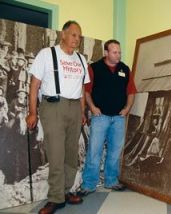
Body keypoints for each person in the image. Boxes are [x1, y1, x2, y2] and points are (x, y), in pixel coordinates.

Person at [26, 20, 89, 214]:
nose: (76, 39)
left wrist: (83, 112)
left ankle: (66, 191)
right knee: (55, 153)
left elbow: (82, 88)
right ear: (63, 34)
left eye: (79, 36)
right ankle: (55, 198)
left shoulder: (81, 59)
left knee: (71, 154)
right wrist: (32, 112)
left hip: (74, 108)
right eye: (73, 35)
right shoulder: (46, 54)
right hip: (53, 106)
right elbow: (34, 85)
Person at [78, 39, 137, 195]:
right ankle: (89, 184)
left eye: (120, 52)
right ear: (106, 52)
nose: (118, 55)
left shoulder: (125, 69)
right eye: (115, 52)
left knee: (115, 151)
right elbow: (86, 91)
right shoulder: (94, 68)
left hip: (118, 118)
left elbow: (131, 91)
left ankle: (111, 181)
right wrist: (92, 107)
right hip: (100, 117)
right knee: (94, 151)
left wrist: (127, 109)